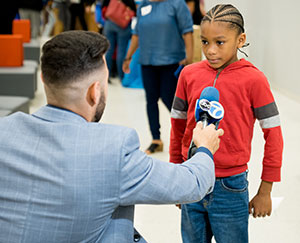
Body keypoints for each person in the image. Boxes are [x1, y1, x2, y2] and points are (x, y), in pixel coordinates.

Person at [0, 30, 224, 243]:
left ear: (43, 79)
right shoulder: (112, 148)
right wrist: (204, 147)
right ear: (94, 92)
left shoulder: (5, 130)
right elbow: (192, 184)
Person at [169, 4, 283, 243]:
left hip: (230, 186)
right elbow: (178, 126)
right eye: (204, 42)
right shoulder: (188, 75)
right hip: (191, 179)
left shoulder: (254, 80)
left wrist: (266, 190)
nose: (210, 51)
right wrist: (176, 175)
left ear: (240, 40)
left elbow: (274, 135)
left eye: (220, 42)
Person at [123, 0, 193, 154]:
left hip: (172, 61)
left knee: (170, 99)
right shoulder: (143, 6)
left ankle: (189, 132)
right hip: (148, 61)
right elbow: (136, 35)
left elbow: (187, 32)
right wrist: (128, 57)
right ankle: (156, 139)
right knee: (151, 100)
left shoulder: (176, 4)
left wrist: (190, 59)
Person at [102, 0, 136, 81]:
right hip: (122, 25)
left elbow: (104, 5)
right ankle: (121, 76)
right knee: (121, 51)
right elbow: (134, 9)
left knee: (109, 50)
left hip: (109, 23)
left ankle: (106, 75)